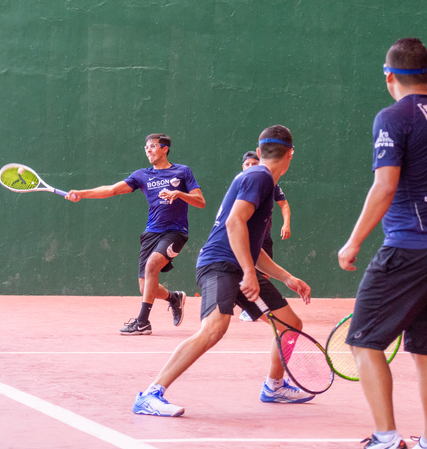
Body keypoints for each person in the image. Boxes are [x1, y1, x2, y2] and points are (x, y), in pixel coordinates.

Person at [336, 38, 427, 449]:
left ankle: (386, 441)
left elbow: (385, 186)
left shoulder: (393, 117)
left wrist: (353, 242)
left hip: (412, 246)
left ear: (388, 76)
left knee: (362, 340)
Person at [132, 125, 314, 417]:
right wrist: (249, 272)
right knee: (215, 328)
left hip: (237, 267)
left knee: (289, 325)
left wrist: (288, 278)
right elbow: (234, 224)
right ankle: (151, 393)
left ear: (259, 149)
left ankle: (274, 386)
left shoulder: (258, 178)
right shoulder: (259, 177)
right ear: (290, 153)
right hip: (218, 265)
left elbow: (252, 246)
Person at [66, 134, 205, 335]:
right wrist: (83, 193)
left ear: (165, 149)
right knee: (145, 286)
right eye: (146, 147)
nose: (148, 150)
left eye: (153, 146)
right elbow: (112, 190)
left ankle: (142, 322)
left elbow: (200, 201)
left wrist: (179, 194)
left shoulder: (182, 172)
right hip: (151, 232)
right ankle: (174, 298)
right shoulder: (142, 175)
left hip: (176, 232)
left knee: (152, 266)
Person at [238, 150, 291, 322]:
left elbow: (284, 205)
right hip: (243, 238)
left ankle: (252, 306)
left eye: (255, 163)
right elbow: (232, 220)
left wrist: (286, 224)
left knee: (263, 273)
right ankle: (244, 303)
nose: (251, 166)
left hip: (263, 237)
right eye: (248, 164)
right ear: (243, 167)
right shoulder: (240, 184)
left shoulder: (270, 184)